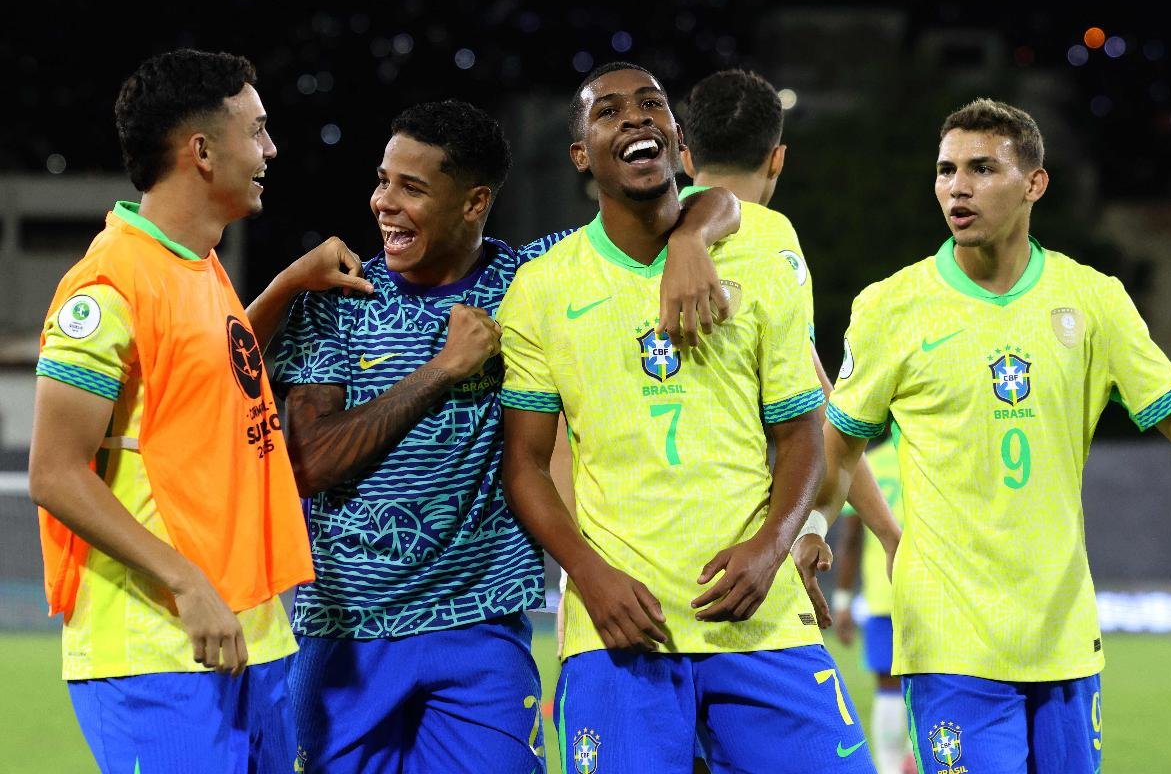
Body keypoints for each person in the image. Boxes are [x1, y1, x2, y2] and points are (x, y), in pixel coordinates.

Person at [270, 98, 738, 773]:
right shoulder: (339, 297)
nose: (382, 203)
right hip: (346, 632)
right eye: (382, 180)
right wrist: (443, 369)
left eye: (411, 187)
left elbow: (707, 202)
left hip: (480, 625)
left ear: (473, 202)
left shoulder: (532, 279)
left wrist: (692, 241)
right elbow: (308, 462)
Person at [499, 61, 884, 774]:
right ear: (581, 153)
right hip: (621, 627)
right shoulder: (543, 287)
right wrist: (587, 574)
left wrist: (771, 548)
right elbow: (523, 463)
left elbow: (800, 431)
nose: (637, 116)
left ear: (680, 143)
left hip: (759, 619)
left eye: (652, 105)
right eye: (609, 111)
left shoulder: (766, 249)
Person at [798, 97, 1171, 774]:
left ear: (1033, 184)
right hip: (950, 637)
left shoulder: (1093, 299)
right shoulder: (891, 306)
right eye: (946, 170)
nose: (957, 186)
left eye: (982, 169)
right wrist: (812, 525)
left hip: (1064, 633)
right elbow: (841, 445)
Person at [27, 48, 370, 773]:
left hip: (250, 633)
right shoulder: (107, 287)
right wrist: (187, 584)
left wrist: (283, 287)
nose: (271, 150)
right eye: (258, 130)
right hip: (159, 648)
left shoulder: (195, 265)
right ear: (203, 152)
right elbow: (55, 473)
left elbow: (209, 376)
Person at [678, 67, 899, 630]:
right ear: (777, 159)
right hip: (743, 555)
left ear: (684, 157)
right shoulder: (771, 238)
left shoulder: (632, 232)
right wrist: (885, 532)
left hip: (630, 554)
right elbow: (818, 400)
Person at [829, 427, 917, 774]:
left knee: (889, 687)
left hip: (883, 593)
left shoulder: (868, 465)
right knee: (938, 680)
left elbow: (850, 540)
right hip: (935, 593)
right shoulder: (932, 456)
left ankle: (891, 768)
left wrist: (843, 601)